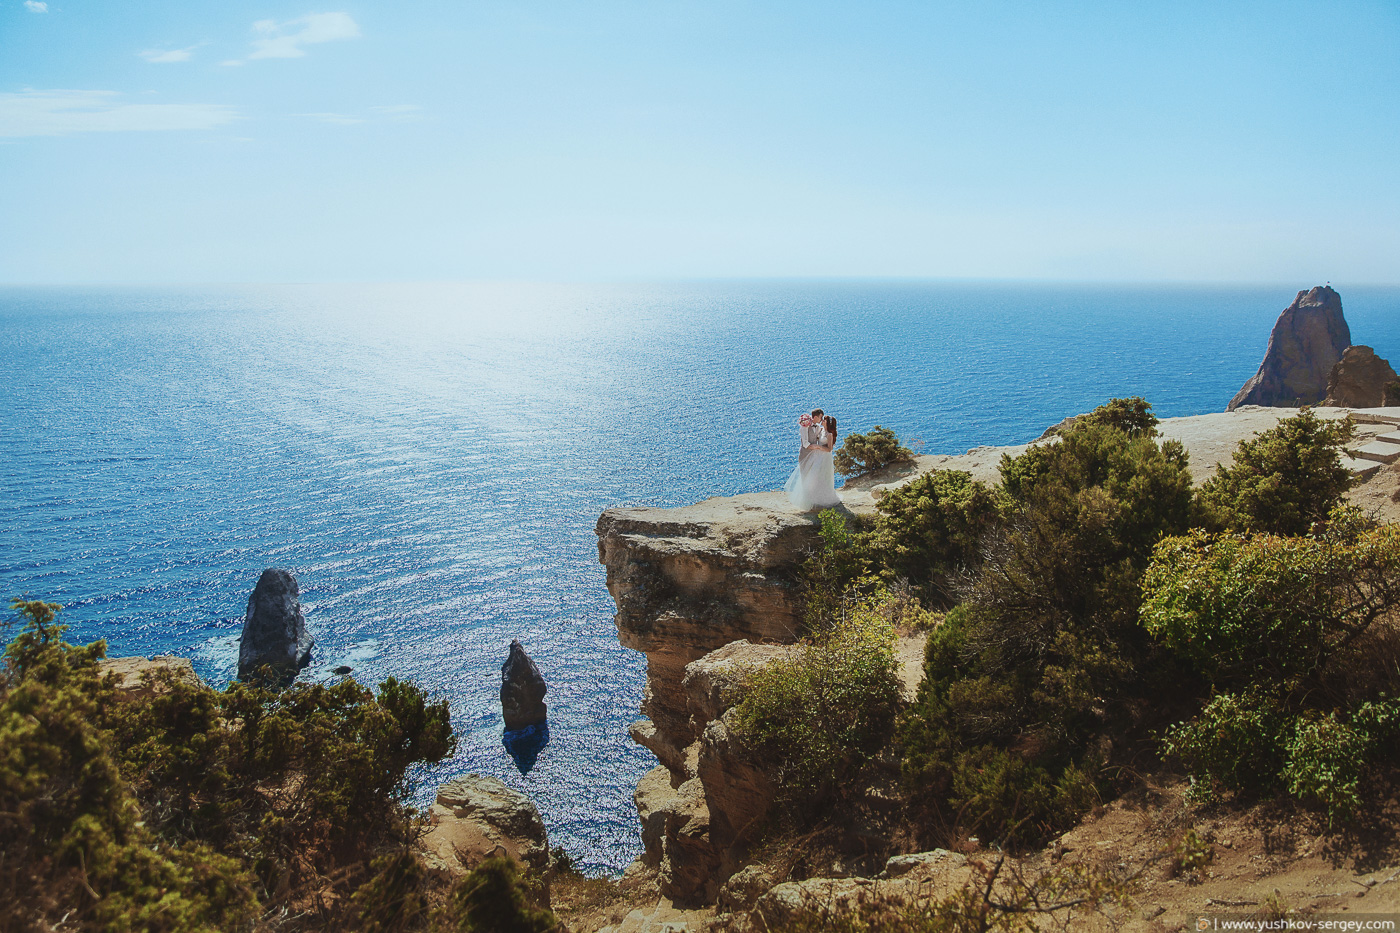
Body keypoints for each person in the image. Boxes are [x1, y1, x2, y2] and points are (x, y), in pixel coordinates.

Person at [784, 409, 842, 510]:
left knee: (818, 478)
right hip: (809, 456)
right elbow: (806, 444)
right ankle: (807, 500)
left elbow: (828, 448)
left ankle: (817, 499)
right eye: (821, 418)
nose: (821, 420)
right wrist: (817, 447)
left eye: (823, 419)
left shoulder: (823, 430)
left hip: (820, 457)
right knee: (807, 478)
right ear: (816, 417)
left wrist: (818, 447)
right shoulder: (807, 427)